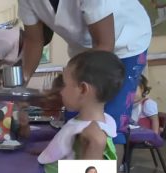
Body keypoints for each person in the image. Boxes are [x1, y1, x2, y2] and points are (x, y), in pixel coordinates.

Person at [18, 0, 151, 145]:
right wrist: (17, 89)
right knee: (75, 121)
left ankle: (105, 165)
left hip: (125, 42)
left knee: (110, 126)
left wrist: (67, 87)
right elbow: (34, 40)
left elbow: (104, 44)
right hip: (86, 50)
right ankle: (77, 164)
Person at [28, 51, 123, 173]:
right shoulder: (95, 122)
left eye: (64, 85)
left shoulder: (92, 135)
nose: (60, 91)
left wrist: (96, 146)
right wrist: (50, 153)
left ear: (83, 89)